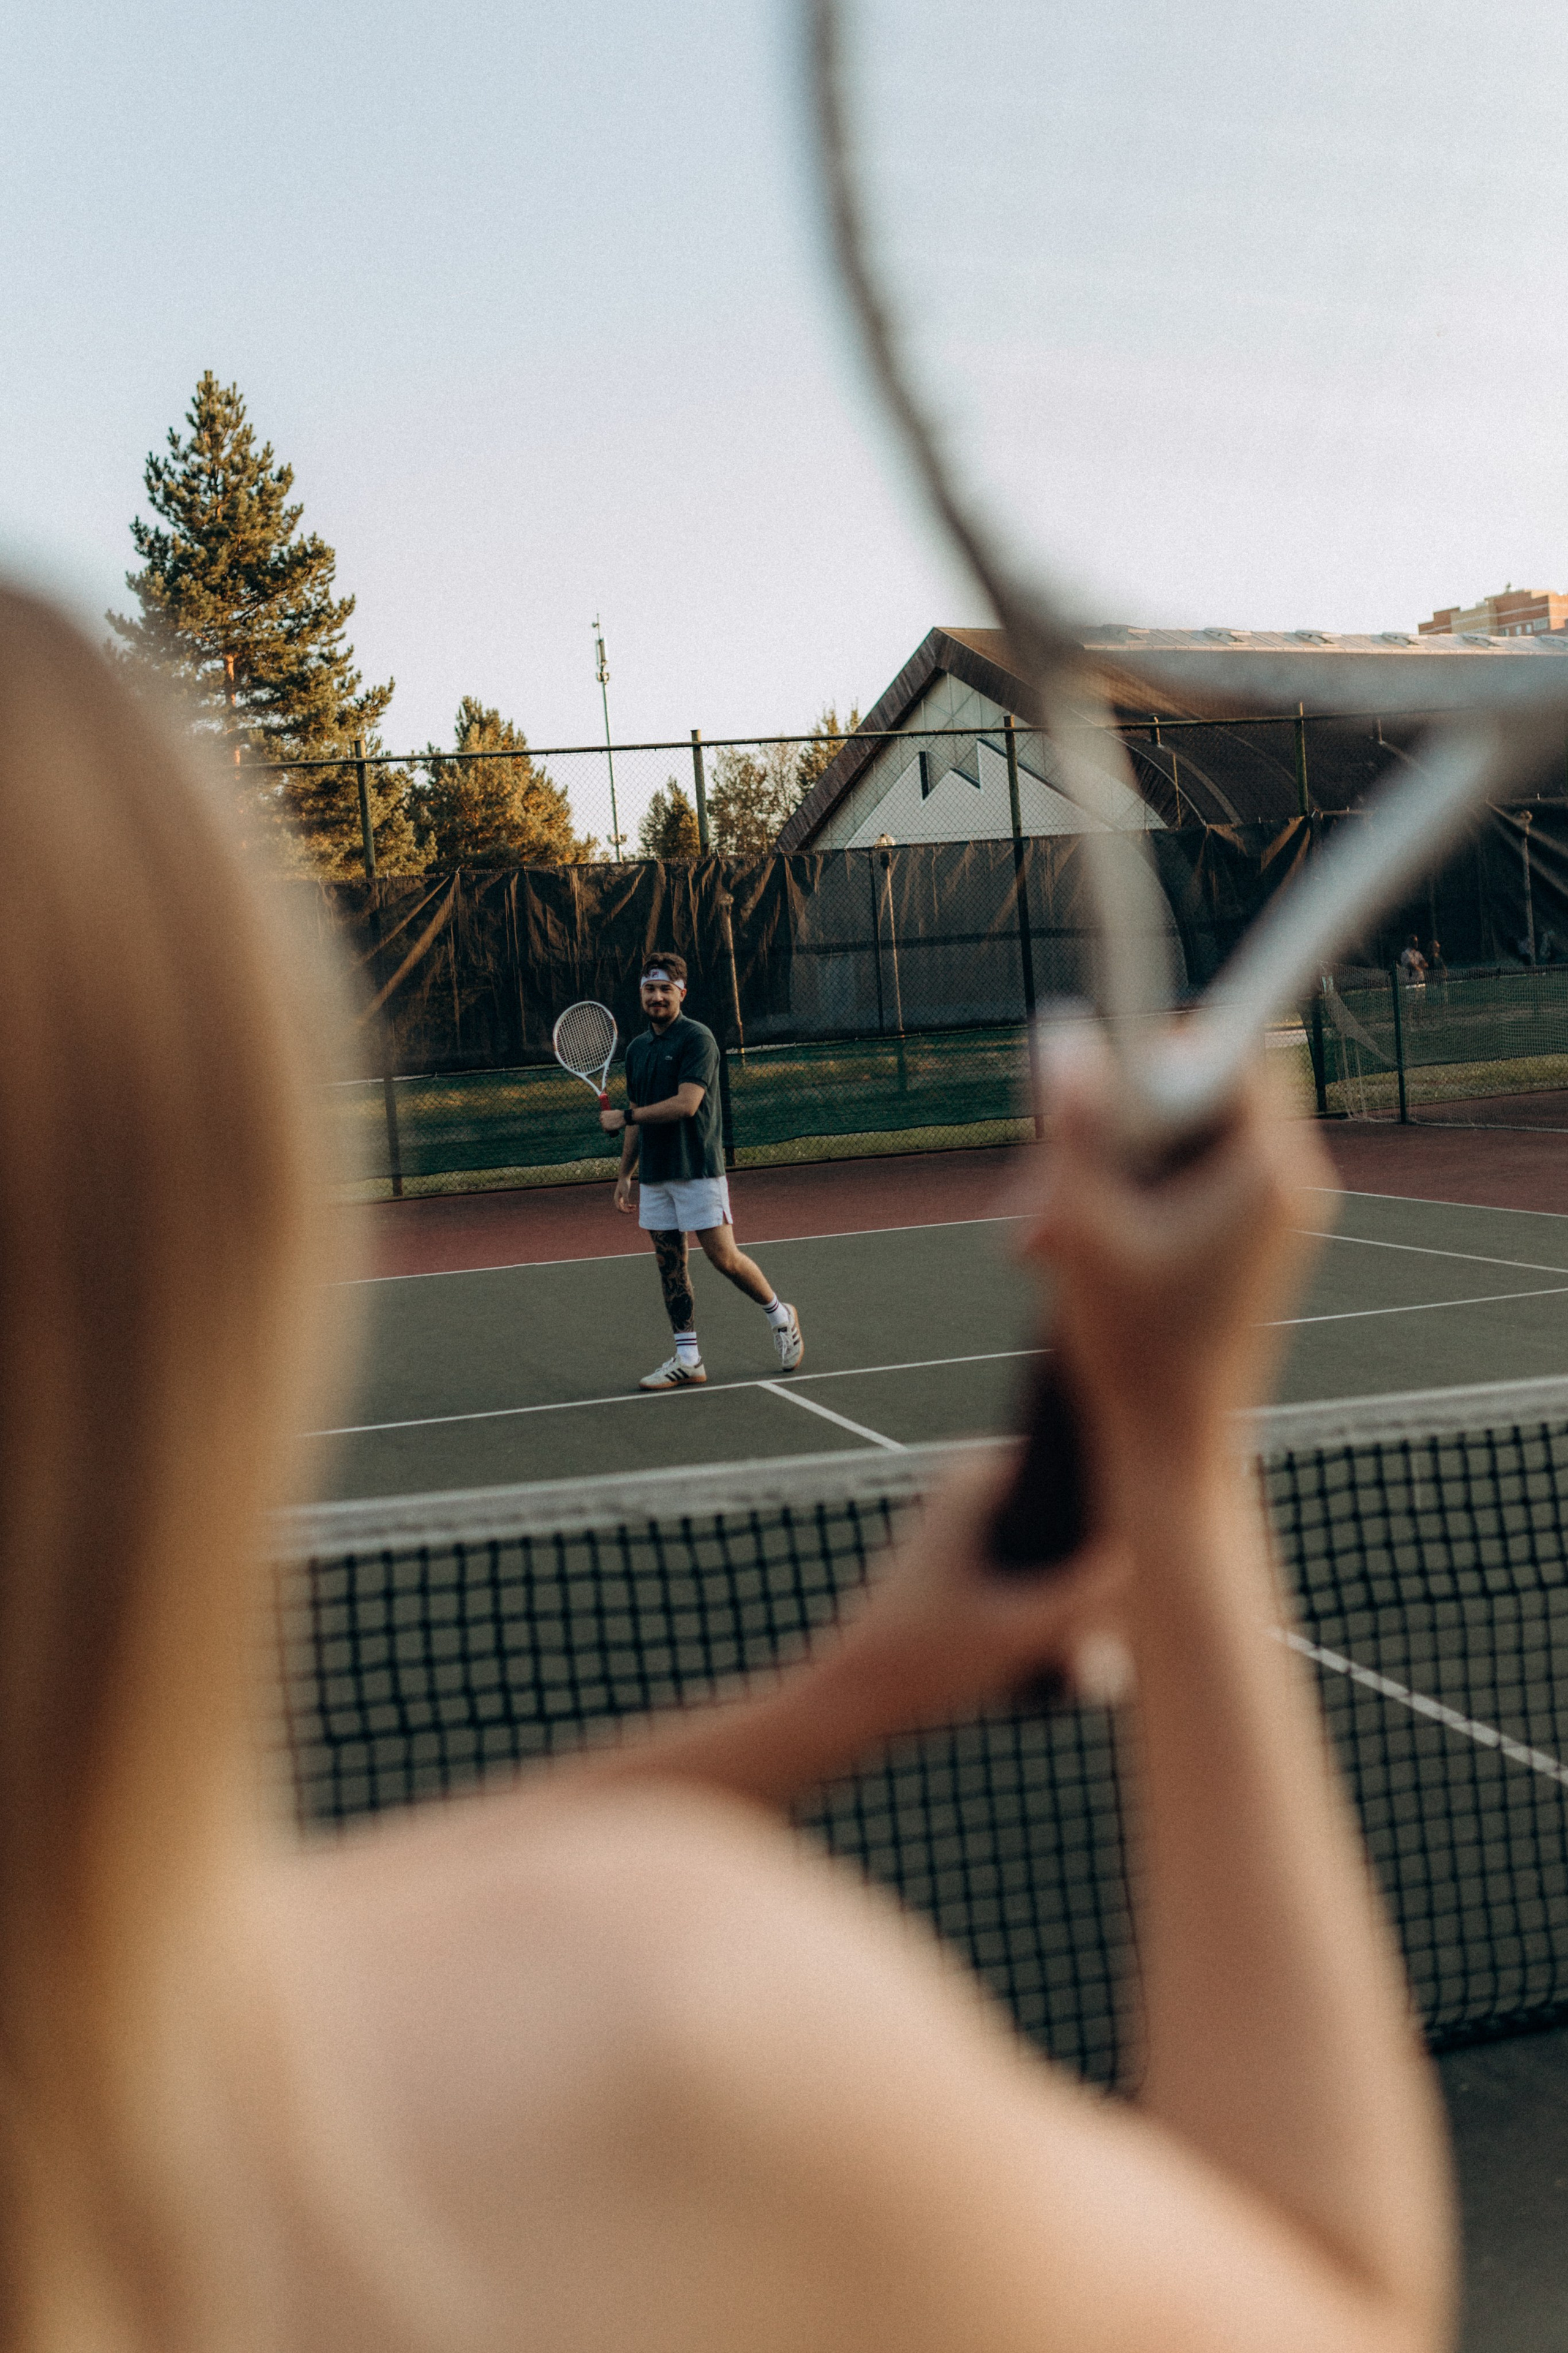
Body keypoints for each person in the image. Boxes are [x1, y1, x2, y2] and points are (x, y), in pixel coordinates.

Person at [0, 582, 1453, 2353]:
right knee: (682, 1268)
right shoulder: (672, 2033)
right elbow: (1337, 2305)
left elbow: (228, 1963)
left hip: (704, 1184)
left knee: (719, 1255)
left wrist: (843, 1695)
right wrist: (1175, 1444)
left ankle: (746, 1324)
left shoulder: (113, 2088)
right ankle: (710, 1330)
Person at [600, 951, 803, 1389]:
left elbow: (686, 1105)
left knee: (723, 1258)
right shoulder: (637, 1049)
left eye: (665, 990)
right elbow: (636, 1111)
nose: (657, 997)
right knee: (669, 1263)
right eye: (650, 989)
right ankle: (688, 1358)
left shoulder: (698, 1039)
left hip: (697, 1170)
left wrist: (626, 1119)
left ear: (681, 993)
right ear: (642, 993)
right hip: (656, 1175)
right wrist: (624, 1173)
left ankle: (781, 1316)